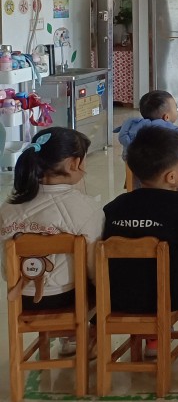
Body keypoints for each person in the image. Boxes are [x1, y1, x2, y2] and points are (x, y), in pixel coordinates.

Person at [103, 125, 178, 355]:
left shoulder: (115, 207)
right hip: (172, 296)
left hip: (118, 297)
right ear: (171, 177)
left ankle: (153, 336)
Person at [0, 128, 103, 357]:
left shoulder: (7, 209)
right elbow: (93, 268)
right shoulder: (86, 208)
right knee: (101, 279)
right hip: (67, 299)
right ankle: (78, 336)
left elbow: (6, 269)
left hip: (23, 299)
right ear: (74, 164)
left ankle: (68, 337)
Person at [117, 90, 178, 191]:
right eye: (176, 107)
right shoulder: (177, 133)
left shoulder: (132, 128)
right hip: (170, 182)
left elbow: (127, 157)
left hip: (141, 180)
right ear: (166, 117)